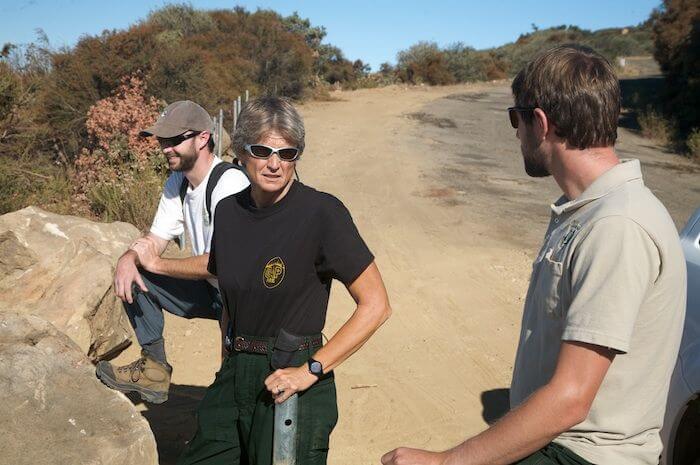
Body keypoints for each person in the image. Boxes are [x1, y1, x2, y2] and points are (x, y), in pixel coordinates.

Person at [382, 45, 686, 465]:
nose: (516, 133)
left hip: (582, 454)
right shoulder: (586, 211)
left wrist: (446, 461)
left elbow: (571, 399)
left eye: (516, 118)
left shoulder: (616, 225)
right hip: (558, 443)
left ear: (540, 122)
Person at [172, 96, 392, 465]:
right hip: (235, 371)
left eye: (287, 153)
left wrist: (310, 371)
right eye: (262, 151)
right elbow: (229, 299)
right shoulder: (227, 212)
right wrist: (227, 363)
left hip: (292, 372)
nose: (274, 164)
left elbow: (377, 305)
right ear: (241, 151)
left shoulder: (322, 213)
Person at [96, 100, 250, 404]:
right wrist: (129, 258)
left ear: (203, 138)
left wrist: (156, 263)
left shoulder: (230, 183)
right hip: (212, 290)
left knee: (233, 390)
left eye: (175, 139)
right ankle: (154, 370)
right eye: (162, 140)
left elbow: (222, 263)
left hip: (244, 299)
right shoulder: (178, 182)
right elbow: (155, 239)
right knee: (136, 272)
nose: (166, 148)